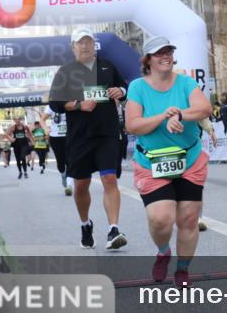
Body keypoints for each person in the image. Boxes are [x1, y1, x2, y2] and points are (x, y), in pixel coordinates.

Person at [125, 37, 212, 287]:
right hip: (152, 162)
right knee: (161, 219)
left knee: (188, 219)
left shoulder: (185, 82)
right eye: (159, 53)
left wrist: (180, 114)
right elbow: (133, 125)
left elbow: (204, 108)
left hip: (189, 159)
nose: (165, 56)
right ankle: (163, 251)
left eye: (169, 52)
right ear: (148, 60)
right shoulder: (138, 87)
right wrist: (164, 116)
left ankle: (182, 270)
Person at [48, 27, 129, 251]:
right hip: (80, 137)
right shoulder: (65, 71)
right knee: (81, 186)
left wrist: (121, 91)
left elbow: (124, 86)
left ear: (95, 45)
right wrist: (78, 104)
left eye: (88, 42)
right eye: (80, 42)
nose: (85, 46)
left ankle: (113, 229)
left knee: (109, 179)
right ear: (73, 47)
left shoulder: (107, 66)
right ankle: (85, 224)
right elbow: (54, 103)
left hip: (107, 134)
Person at [47, 105, 72, 195]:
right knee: (60, 162)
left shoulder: (70, 104)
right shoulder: (50, 106)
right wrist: (46, 129)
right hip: (55, 138)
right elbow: (42, 119)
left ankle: (69, 185)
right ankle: (63, 174)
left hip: (68, 136)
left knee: (69, 160)